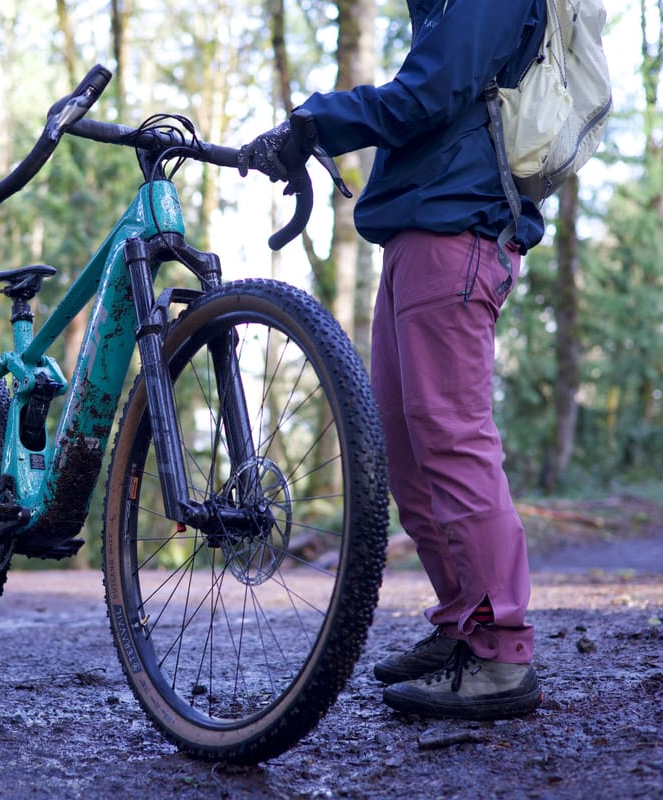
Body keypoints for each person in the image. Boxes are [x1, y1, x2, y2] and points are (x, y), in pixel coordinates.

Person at [239, 0, 548, 721]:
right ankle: (461, 625)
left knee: (452, 438)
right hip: (417, 232)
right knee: (405, 453)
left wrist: (316, 122)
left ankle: (501, 651)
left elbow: (433, 92)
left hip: (457, 229)